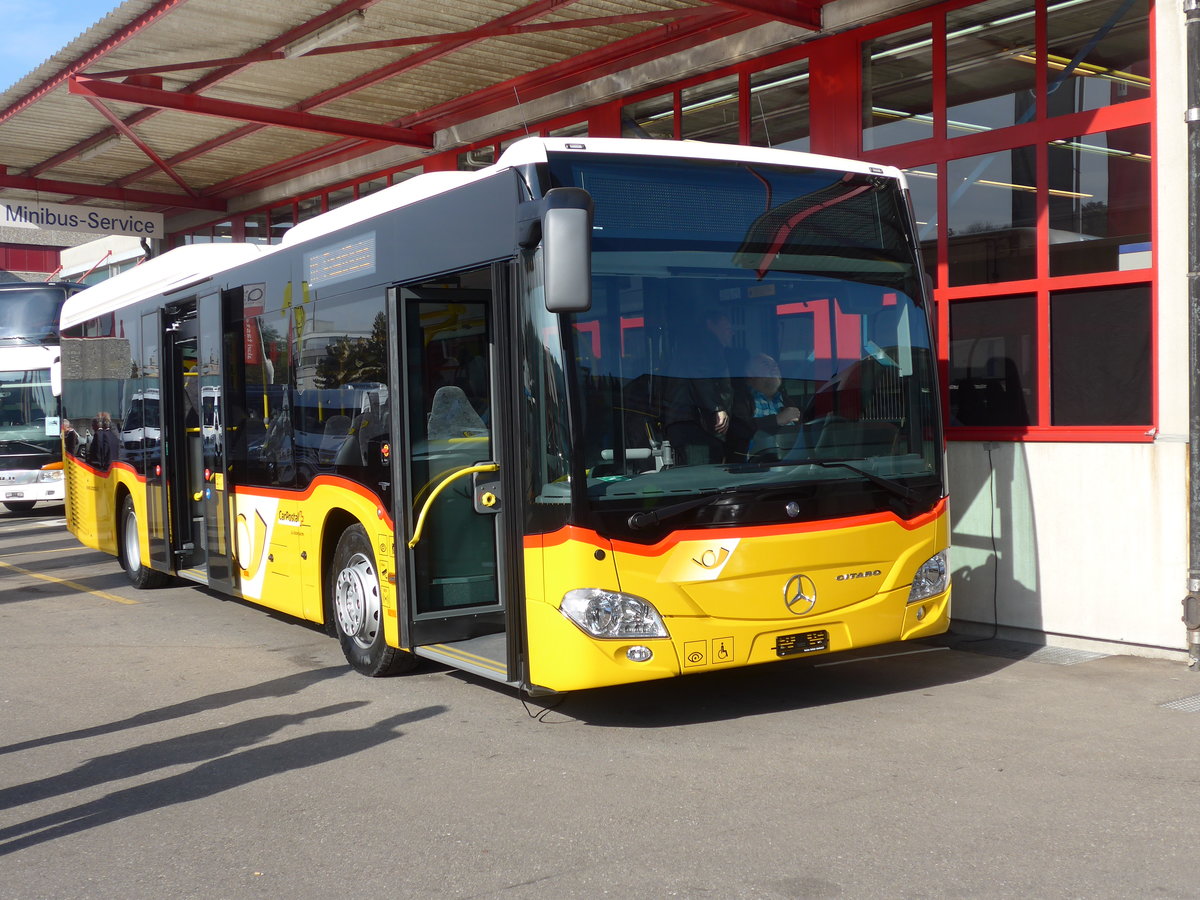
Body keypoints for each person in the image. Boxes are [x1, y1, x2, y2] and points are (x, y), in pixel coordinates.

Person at [663, 308, 735, 464]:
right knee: (702, 473)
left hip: (686, 422)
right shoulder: (705, 344)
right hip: (693, 424)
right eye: (726, 328)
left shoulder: (695, 346)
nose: (731, 332)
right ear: (710, 324)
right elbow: (702, 377)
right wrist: (717, 408)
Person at [728, 353, 801, 460]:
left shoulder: (786, 400)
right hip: (751, 467)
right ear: (750, 373)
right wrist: (776, 420)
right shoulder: (740, 398)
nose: (774, 368)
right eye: (766, 364)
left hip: (791, 464)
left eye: (775, 365)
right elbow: (739, 429)